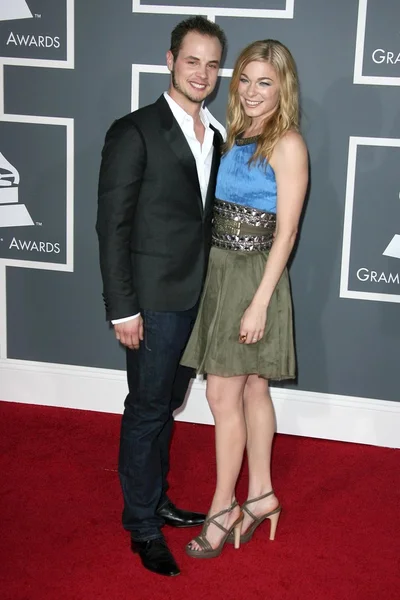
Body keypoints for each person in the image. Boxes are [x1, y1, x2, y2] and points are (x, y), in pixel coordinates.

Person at [96, 16, 227, 576]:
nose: (202, 73)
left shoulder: (216, 134)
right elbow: (113, 227)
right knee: (147, 410)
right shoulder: (135, 130)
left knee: (166, 403)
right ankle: (142, 525)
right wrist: (124, 307)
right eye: (192, 60)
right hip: (151, 302)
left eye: (213, 64)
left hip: (198, 299)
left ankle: (158, 498)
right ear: (170, 60)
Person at [181, 39, 308, 558]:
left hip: (257, 278)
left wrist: (258, 302)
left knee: (221, 396)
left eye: (266, 83)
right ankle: (262, 495)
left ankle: (221, 505)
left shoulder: (288, 143)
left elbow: (288, 232)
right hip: (220, 272)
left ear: (283, 89)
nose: (252, 92)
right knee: (254, 390)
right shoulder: (233, 132)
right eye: (247, 80)